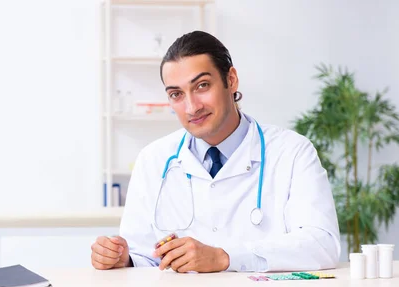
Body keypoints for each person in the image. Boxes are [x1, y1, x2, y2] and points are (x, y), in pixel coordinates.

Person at [91, 31, 340, 273]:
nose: (191, 107)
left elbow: (321, 245)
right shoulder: (153, 160)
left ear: (231, 80)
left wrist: (225, 257)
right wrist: (122, 259)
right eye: (176, 94)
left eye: (202, 86)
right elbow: (143, 256)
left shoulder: (292, 152)